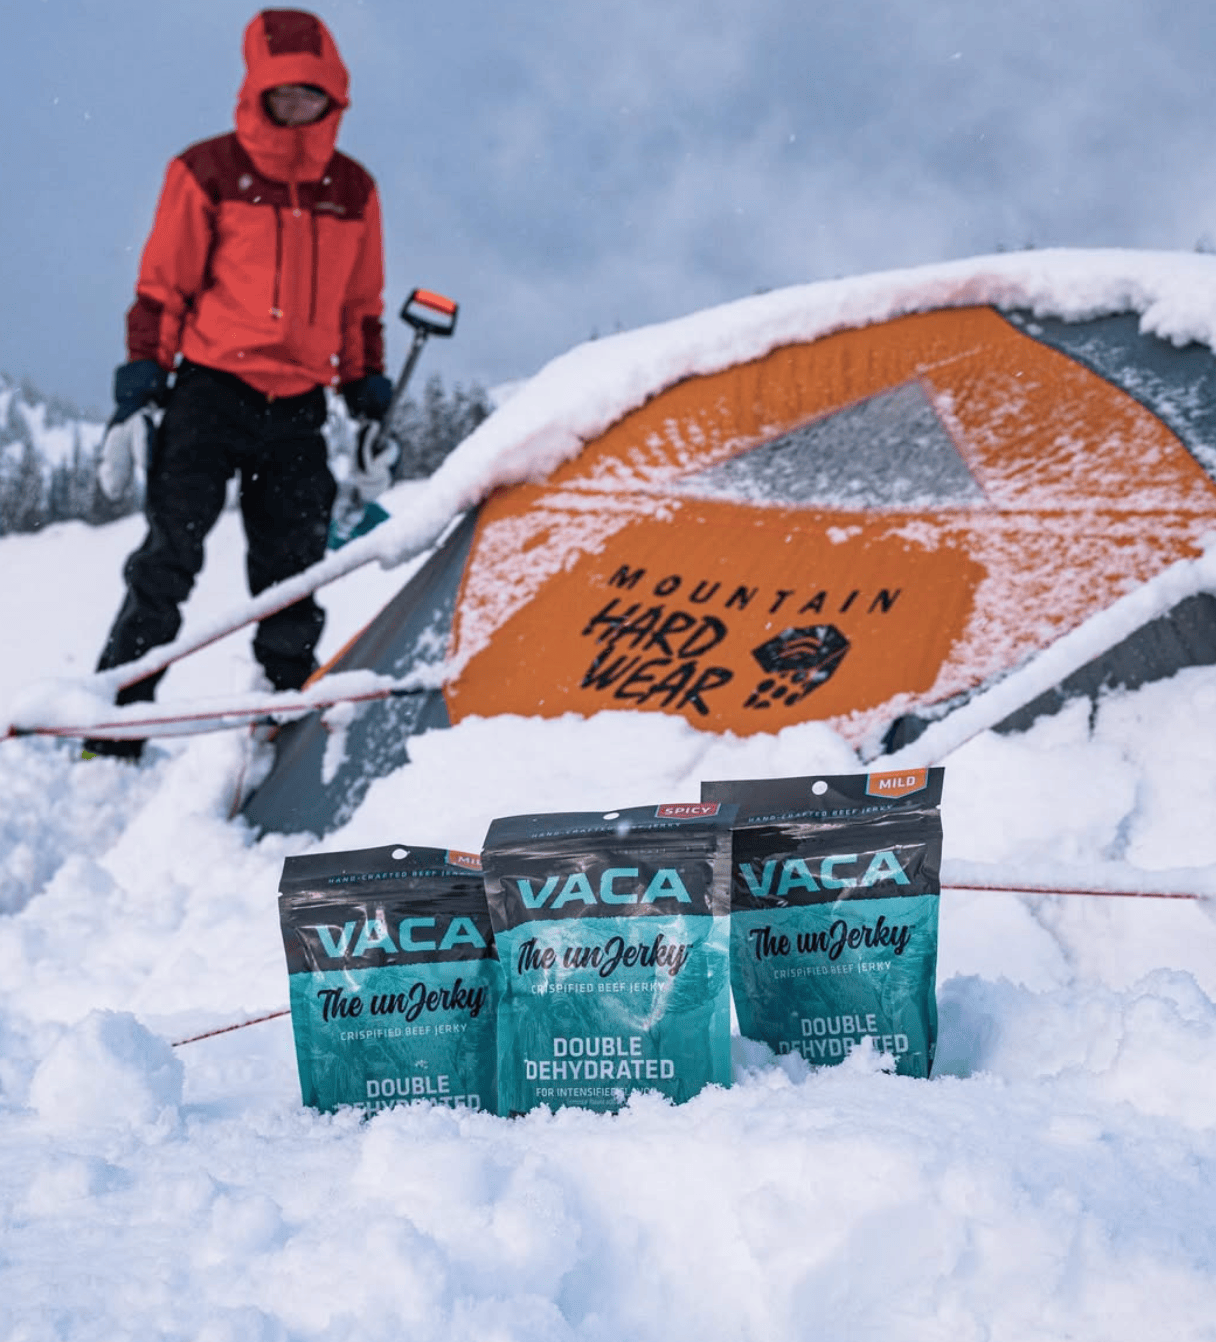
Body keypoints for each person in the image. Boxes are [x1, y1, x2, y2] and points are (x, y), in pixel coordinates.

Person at [87, 8, 395, 760]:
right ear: (256, 91)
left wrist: (366, 391)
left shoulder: (352, 189)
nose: (297, 103)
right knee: (168, 559)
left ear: (334, 97)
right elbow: (162, 289)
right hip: (210, 393)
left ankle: (284, 715)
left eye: (311, 92)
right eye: (282, 91)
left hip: (297, 408)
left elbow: (360, 307)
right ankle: (115, 723)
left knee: (292, 571)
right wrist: (139, 390)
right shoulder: (208, 171)